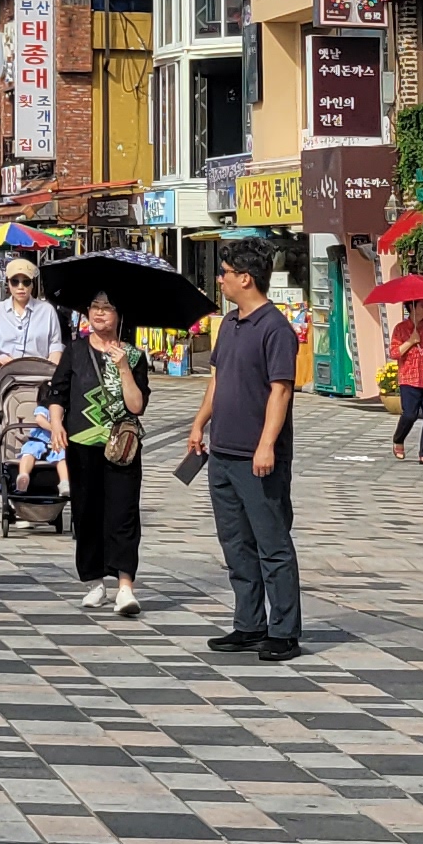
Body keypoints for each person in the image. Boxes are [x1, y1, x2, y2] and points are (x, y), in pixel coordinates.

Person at [188, 237, 302, 661]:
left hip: (258, 457)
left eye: (225, 273)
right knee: (236, 544)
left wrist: (266, 444)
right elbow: (217, 378)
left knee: (272, 544)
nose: (220, 280)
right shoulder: (230, 324)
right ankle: (249, 623)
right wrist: (200, 422)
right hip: (222, 453)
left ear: (246, 278)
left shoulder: (275, 328)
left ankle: (284, 631)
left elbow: (281, 391)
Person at [60, 291, 149, 616]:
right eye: (94, 307)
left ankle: (125, 587)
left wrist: (123, 366)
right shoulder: (75, 350)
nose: (99, 313)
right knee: (86, 514)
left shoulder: (134, 356)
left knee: (123, 514)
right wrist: (55, 424)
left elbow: (137, 406)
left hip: (121, 447)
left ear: (119, 315)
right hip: (81, 445)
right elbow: (58, 392)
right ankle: (94, 581)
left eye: (107, 308)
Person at [0, 259, 61, 378]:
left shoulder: (47, 310)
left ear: (32, 284)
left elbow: (55, 345)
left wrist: (51, 368)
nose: (20, 287)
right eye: (15, 282)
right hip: (6, 376)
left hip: (40, 376)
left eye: (26, 282)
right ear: (8, 283)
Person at [389, 304, 423, 463]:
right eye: (422, 305)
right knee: (409, 414)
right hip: (409, 378)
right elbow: (394, 353)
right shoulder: (401, 328)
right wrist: (410, 341)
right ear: (412, 307)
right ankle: (399, 438)